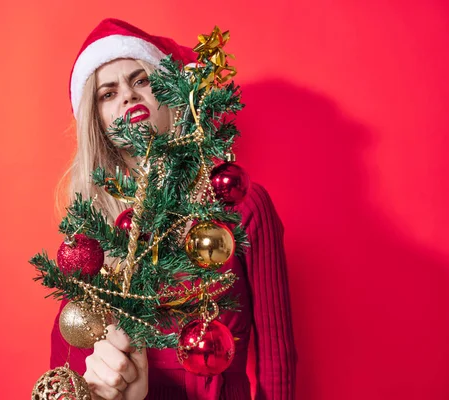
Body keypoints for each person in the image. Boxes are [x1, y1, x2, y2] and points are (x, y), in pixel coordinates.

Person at [49, 18, 297, 400]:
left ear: (170, 93)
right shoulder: (92, 229)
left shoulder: (239, 205)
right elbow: (65, 364)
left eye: (141, 80)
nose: (128, 97)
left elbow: (277, 358)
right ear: (97, 121)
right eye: (107, 93)